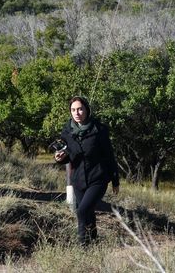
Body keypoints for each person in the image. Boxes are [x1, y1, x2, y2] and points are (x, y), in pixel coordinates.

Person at [54, 96, 119, 245]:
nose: (77, 113)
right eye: (73, 110)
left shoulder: (99, 130)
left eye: (80, 109)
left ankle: (82, 245)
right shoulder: (67, 131)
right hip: (79, 180)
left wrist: (115, 180)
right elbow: (68, 157)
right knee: (87, 213)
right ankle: (93, 244)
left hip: (98, 178)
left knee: (82, 211)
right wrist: (59, 158)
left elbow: (109, 156)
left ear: (87, 110)